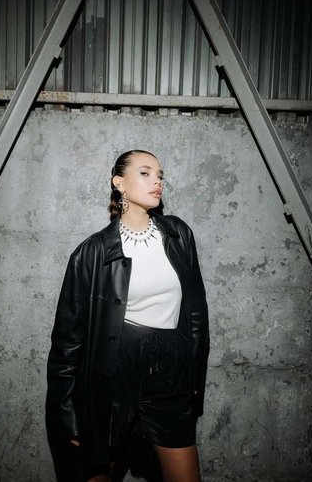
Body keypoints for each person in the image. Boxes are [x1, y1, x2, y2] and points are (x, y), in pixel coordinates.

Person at [46, 150, 209, 482]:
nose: (157, 181)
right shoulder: (92, 253)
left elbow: (196, 312)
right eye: (145, 173)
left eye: (160, 175)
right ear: (119, 183)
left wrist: (193, 377)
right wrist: (68, 417)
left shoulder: (179, 235)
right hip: (113, 375)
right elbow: (67, 344)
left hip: (169, 375)